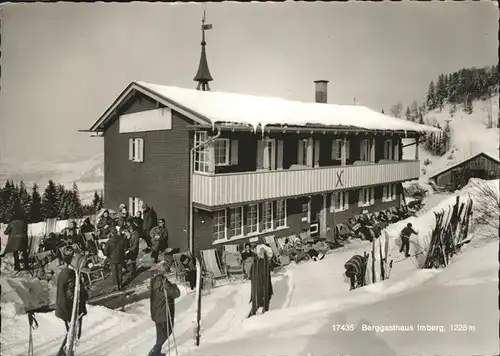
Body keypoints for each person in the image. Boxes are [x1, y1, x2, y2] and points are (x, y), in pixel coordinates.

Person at [55, 247, 88, 347]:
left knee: (70, 335)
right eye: (81, 263)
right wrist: (84, 295)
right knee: (72, 336)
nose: (83, 265)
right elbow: (71, 294)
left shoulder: (64, 272)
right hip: (71, 310)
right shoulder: (71, 275)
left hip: (64, 308)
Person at [148, 263, 180, 356]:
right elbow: (176, 294)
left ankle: (156, 351)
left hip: (156, 312)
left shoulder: (153, 281)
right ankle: (154, 351)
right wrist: (174, 285)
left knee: (160, 333)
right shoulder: (164, 283)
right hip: (164, 313)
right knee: (167, 331)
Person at [248, 244, 273, 318]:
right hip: (260, 281)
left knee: (261, 292)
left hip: (260, 281)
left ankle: (261, 305)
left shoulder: (261, 260)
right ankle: (260, 305)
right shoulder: (258, 261)